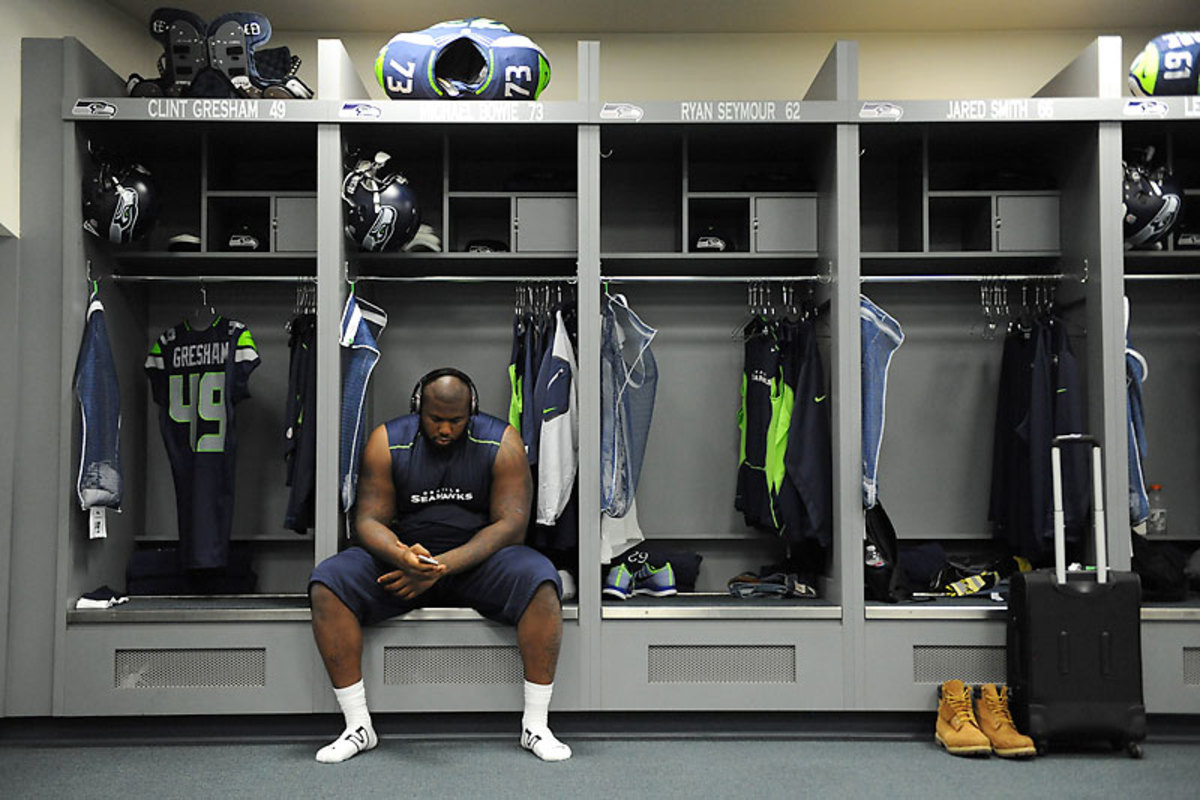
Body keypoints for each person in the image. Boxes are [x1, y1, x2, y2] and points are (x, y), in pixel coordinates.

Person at [308, 368, 570, 764]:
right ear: (418, 409)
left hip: (479, 561)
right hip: (404, 557)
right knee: (328, 582)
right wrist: (403, 557)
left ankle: (536, 725)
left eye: (456, 420)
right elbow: (367, 521)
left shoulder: (502, 442)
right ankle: (357, 726)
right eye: (435, 419)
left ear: (472, 412)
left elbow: (511, 526)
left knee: (541, 582)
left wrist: (439, 566)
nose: (445, 429)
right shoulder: (387, 441)